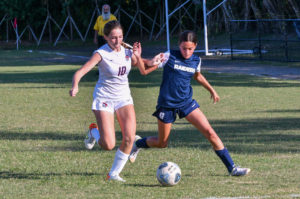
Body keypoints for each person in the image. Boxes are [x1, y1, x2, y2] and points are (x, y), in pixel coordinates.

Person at [129, 30, 251, 176]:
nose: (187, 52)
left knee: (210, 132)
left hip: (186, 103)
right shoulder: (169, 56)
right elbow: (145, 69)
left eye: (190, 49)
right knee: (162, 143)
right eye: (183, 48)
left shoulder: (196, 60)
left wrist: (212, 90)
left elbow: (197, 75)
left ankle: (232, 168)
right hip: (167, 104)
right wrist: (137, 57)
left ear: (195, 46)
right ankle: (138, 143)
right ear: (179, 45)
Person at [69, 20, 158, 182]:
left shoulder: (127, 49)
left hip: (123, 97)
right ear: (105, 37)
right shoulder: (100, 53)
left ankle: (113, 174)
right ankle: (93, 132)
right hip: (104, 98)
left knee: (130, 138)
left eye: (120, 37)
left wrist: (151, 59)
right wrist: (75, 86)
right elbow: (81, 71)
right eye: (113, 38)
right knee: (108, 144)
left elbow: (144, 63)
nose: (117, 41)